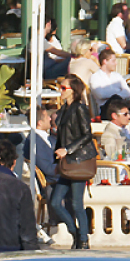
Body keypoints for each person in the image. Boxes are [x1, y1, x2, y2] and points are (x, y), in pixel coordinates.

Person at [51, 75, 93, 249]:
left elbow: (87, 134)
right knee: (55, 202)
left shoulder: (80, 108)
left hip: (78, 159)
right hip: (66, 162)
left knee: (76, 203)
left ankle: (83, 239)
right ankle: (75, 233)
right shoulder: (64, 109)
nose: (60, 91)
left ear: (73, 91)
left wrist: (67, 149)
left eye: (63, 88)